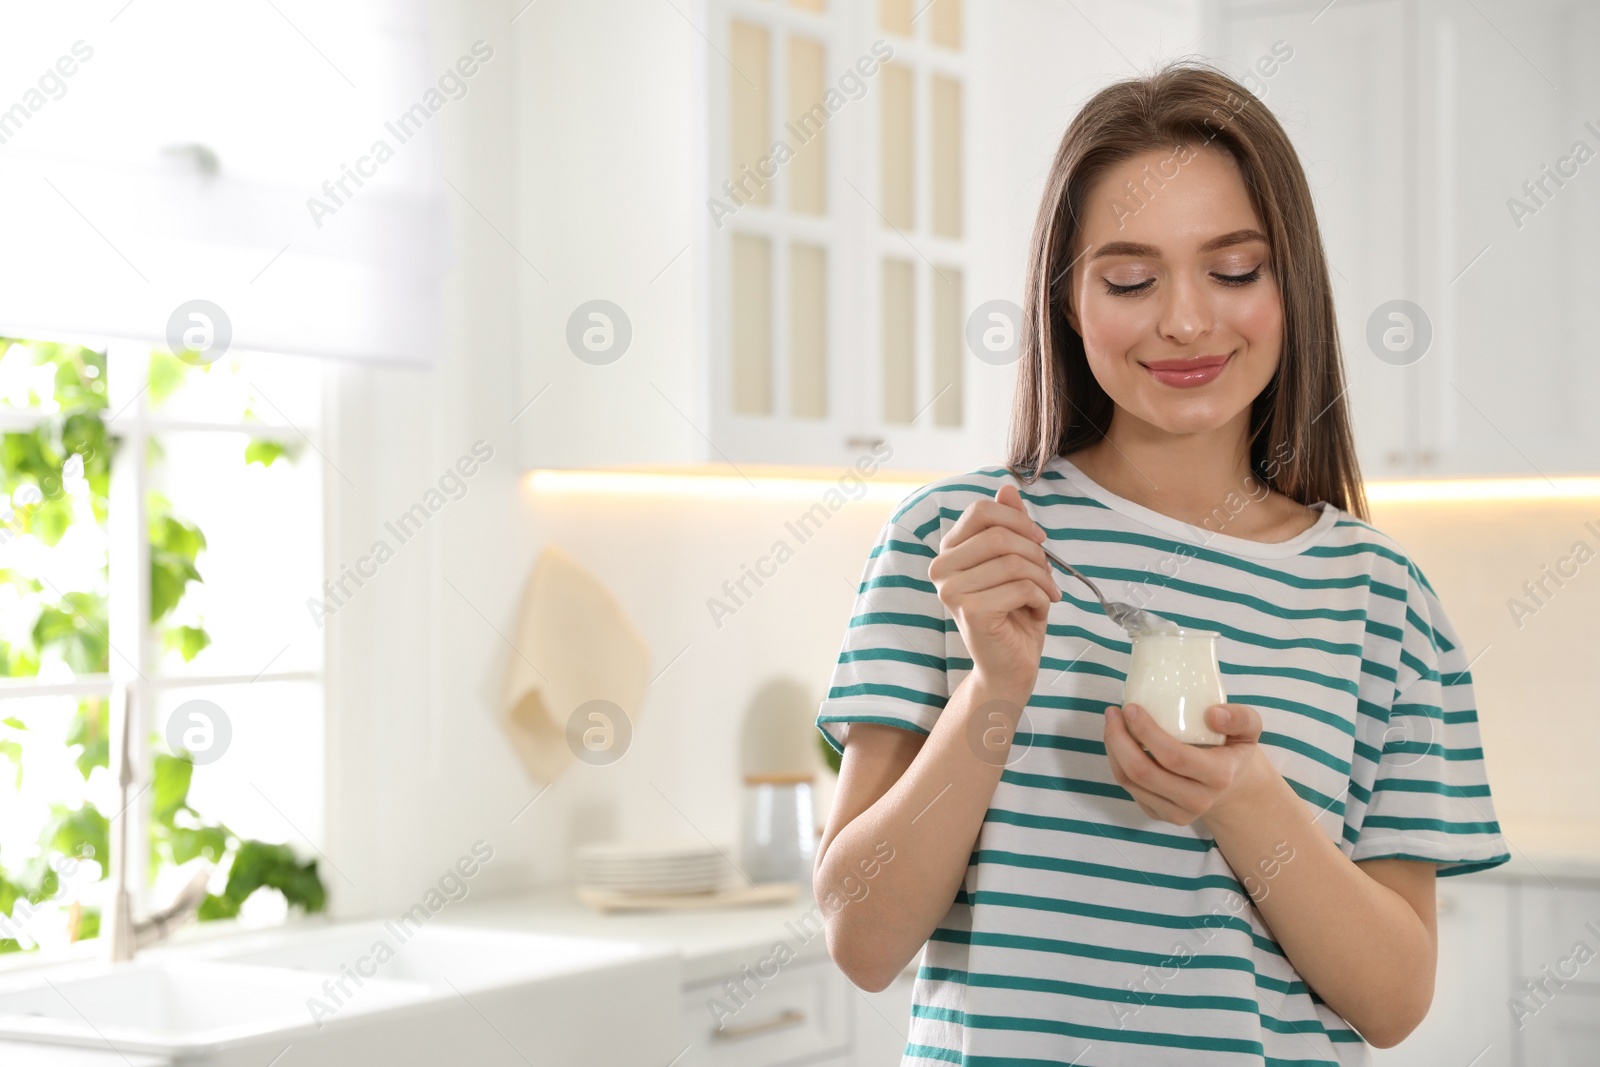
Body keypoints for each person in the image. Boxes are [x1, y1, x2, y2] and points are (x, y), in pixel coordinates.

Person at [812, 61, 1508, 1066]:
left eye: (1232, 270)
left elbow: (1393, 1002)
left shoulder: (1381, 600)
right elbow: (863, 940)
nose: (1185, 319)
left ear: (1290, 285)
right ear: (1067, 301)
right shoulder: (956, 545)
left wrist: (1241, 799)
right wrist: (992, 692)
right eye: (1131, 279)